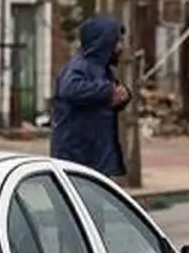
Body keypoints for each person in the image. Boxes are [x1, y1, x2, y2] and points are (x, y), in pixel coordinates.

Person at [49, 14, 132, 177]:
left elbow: (105, 100)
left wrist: (122, 96)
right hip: (78, 159)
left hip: (97, 157)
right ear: (104, 43)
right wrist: (108, 91)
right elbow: (71, 89)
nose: (121, 47)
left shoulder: (104, 70)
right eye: (117, 42)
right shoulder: (80, 66)